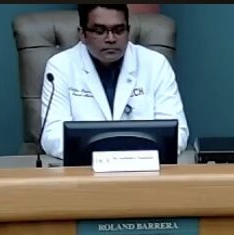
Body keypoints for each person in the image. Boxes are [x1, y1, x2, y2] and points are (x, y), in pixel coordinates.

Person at [40, 4, 189, 160]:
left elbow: (177, 133)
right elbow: (52, 135)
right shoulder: (60, 66)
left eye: (118, 30)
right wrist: (109, 158)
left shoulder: (155, 64)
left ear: (128, 31)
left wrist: (124, 159)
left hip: (145, 170)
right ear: (82, 34)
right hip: (84, 172)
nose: (111, 39)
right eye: (100, 31)